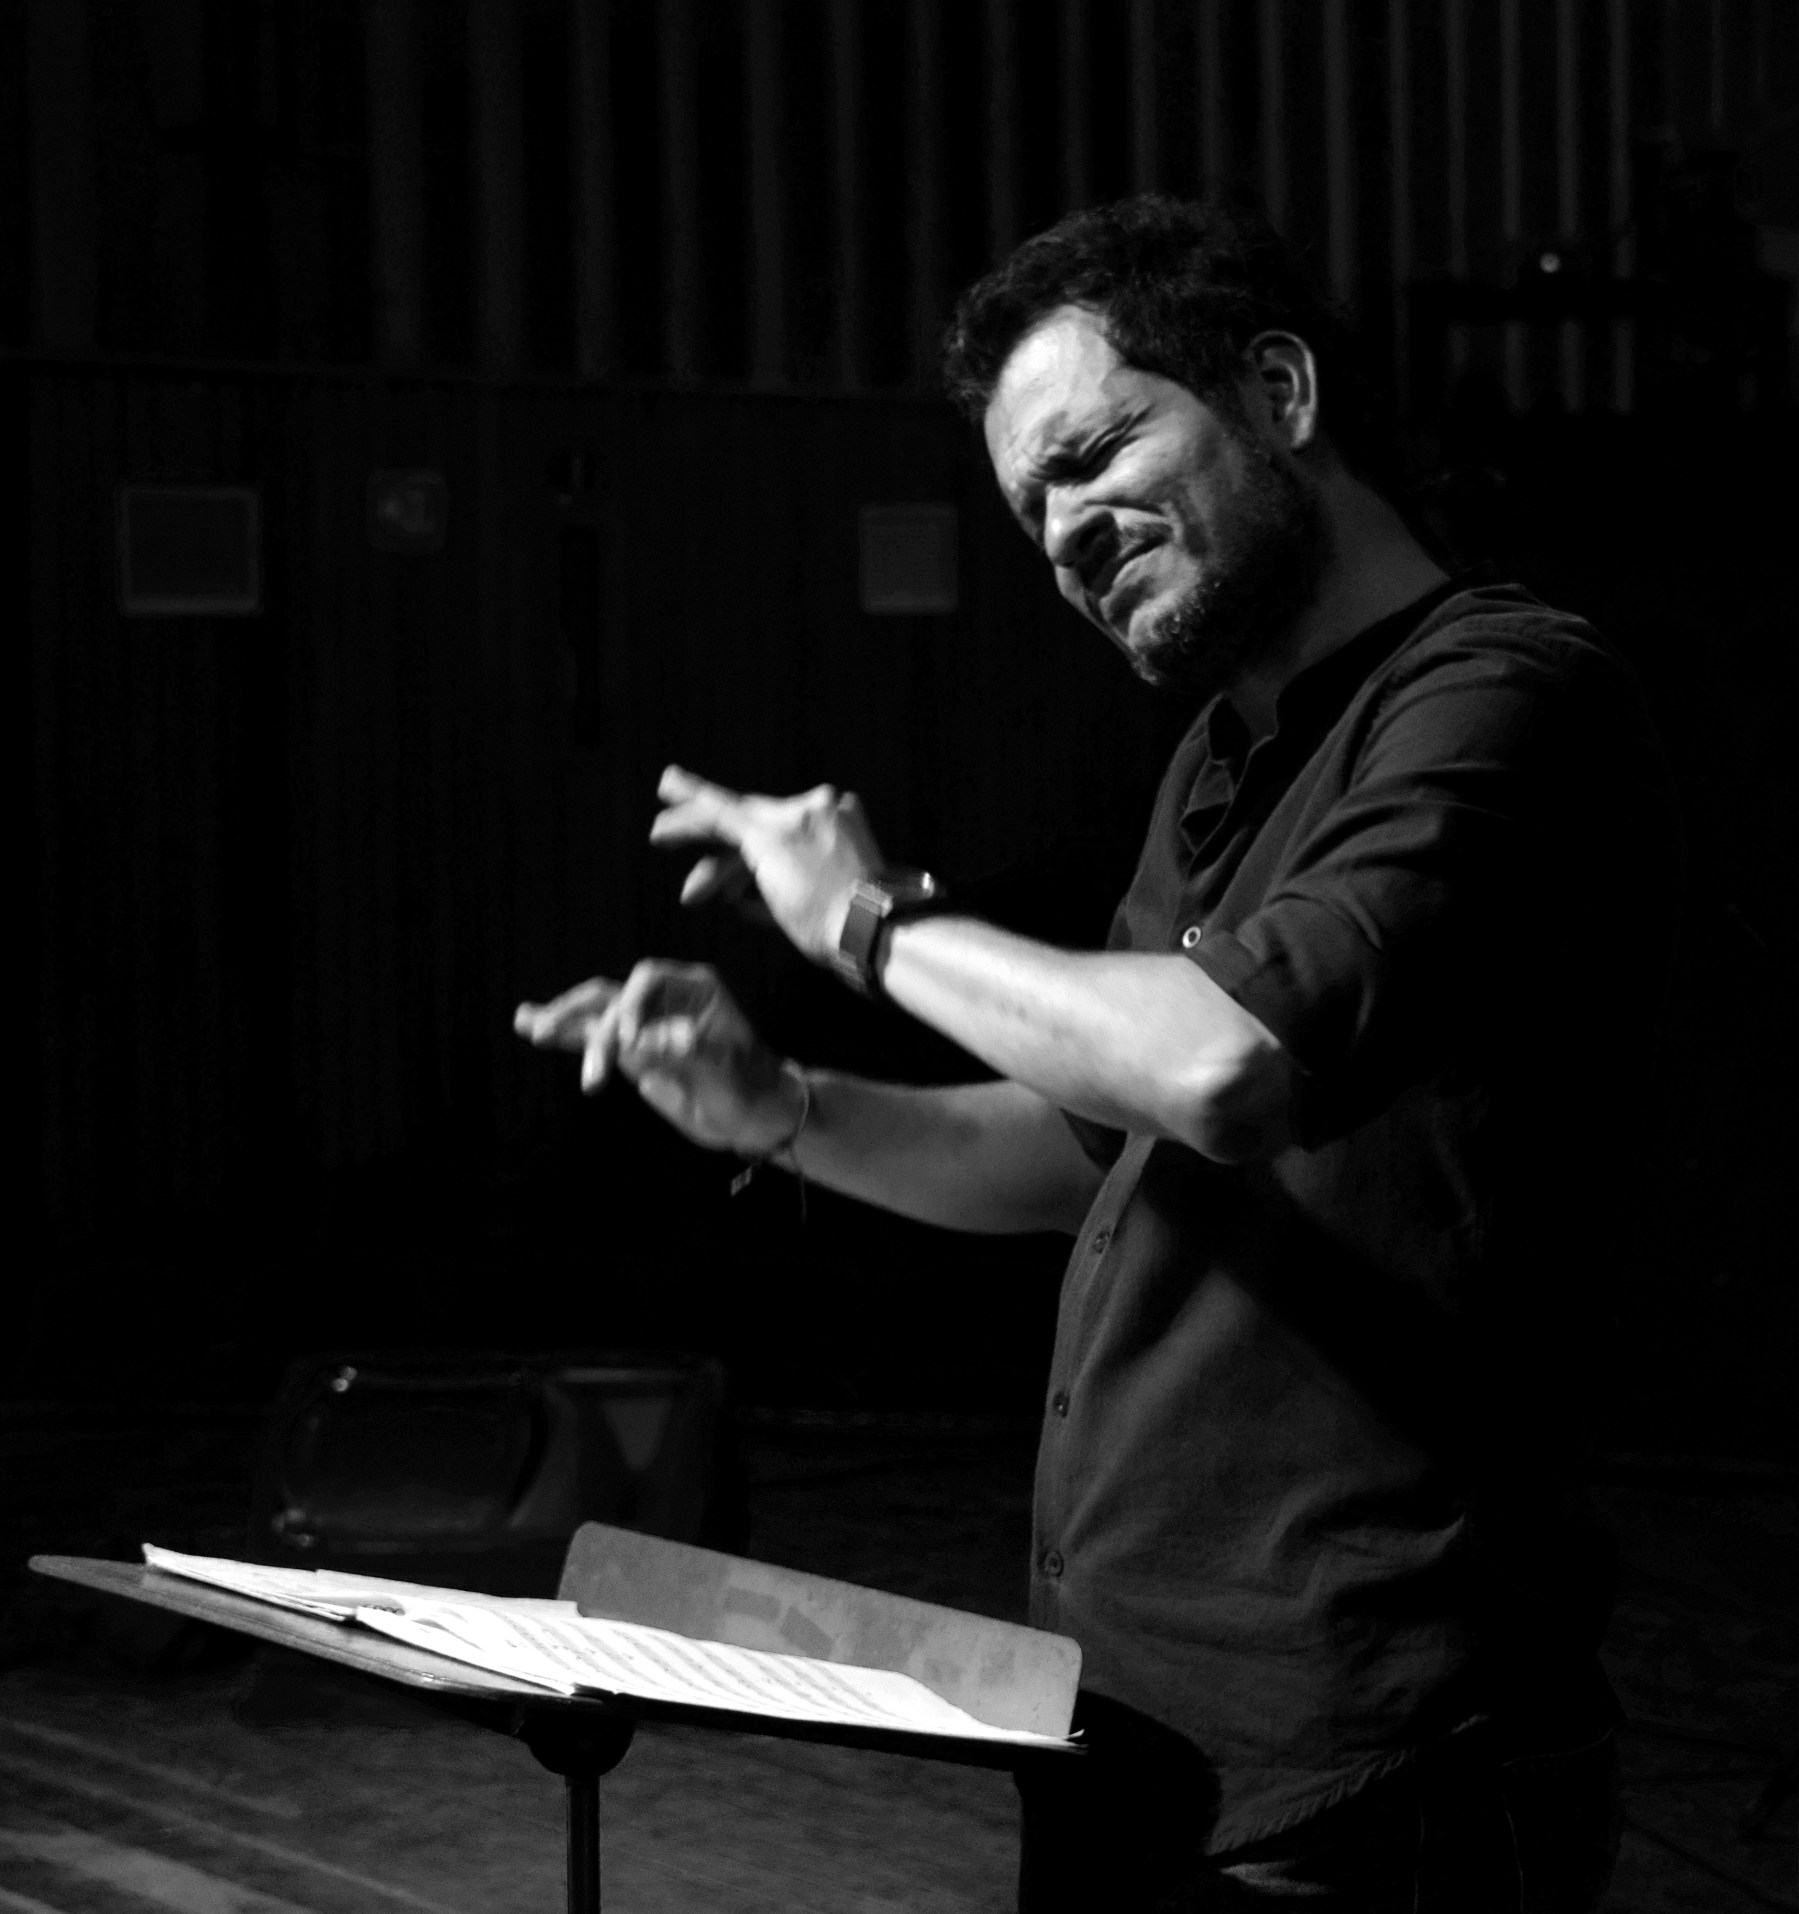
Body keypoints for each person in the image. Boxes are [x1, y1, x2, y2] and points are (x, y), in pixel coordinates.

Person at [515, 198, 1675, 1910]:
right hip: (1134, 1739)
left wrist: (868, 921)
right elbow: (1096, 1146)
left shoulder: (1503, 690)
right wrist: (785, 1107)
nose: (1062, 532)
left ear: (1279, 391)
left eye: (1094, 451)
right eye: (1030, 506)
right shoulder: (1222, 759)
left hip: (1374, 1763)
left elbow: (1220, 1067)